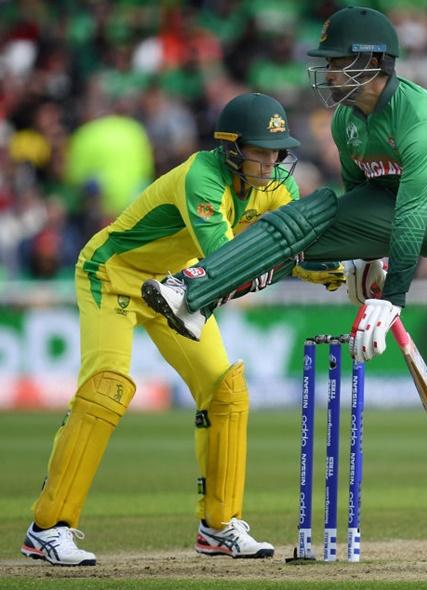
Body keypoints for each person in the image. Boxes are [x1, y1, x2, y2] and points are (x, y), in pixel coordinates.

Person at [142, 7, 427, 476]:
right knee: (313, 215)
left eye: (337, 61)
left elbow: (413, 213)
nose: (329, 72)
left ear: (373, 63)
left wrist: (392, 299)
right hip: (386, 204)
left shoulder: (419, 120)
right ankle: (194, 290)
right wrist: (364, 259)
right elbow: (360, 197)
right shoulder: (347, 123)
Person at [20, 92, 345, 567]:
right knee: (107, 388)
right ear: (233, 148)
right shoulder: (202, 178)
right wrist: (307, 263)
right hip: (113, 275)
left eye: (278, 150)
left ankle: (219, 526)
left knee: (226, 389)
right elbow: (230, 267)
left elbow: (298, 248)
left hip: (177, 284)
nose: (273, 162)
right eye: (262, 150)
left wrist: (344, 269)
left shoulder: (278, 186)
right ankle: (47, 529)